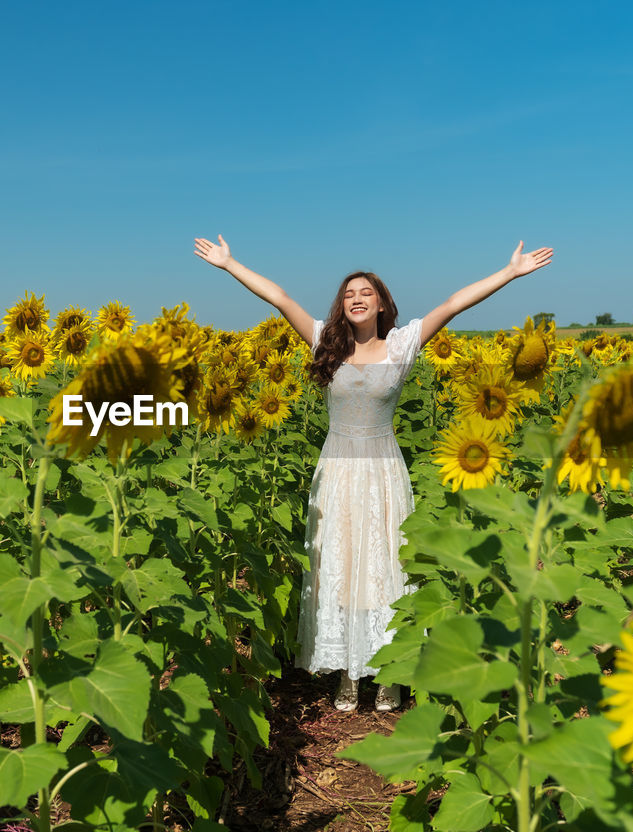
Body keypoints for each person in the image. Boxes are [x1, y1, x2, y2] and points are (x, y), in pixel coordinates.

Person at [193, 235, 553, 711]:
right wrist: (229, 263)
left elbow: (452, 304)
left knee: (384, 568)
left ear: (382, 303)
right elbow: (280, 298)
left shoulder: (403, 345)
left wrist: (509, 272)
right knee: (339, 565)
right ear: (342, 307)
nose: (357, 298)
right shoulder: (324, 340)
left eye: (366, 292)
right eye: (349, 294)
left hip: (382, 470)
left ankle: (388, 674)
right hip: (337, 470)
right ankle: (346, 672)